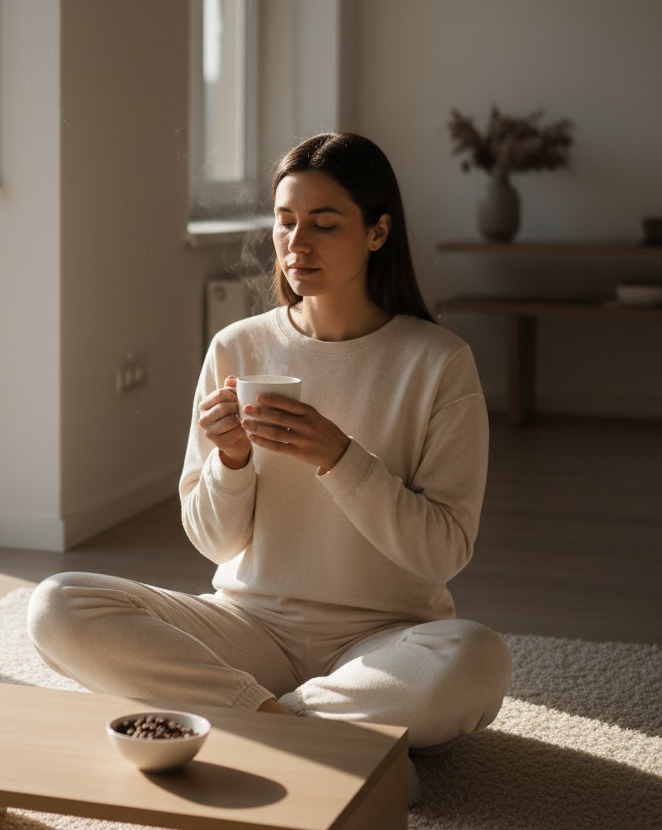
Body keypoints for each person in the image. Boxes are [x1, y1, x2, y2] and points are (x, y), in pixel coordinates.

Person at [27, 132, 511, 804]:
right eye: (285, 222)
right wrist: (230, 461)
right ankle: (307, 734)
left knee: (478, 659)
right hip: (247, 628)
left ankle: (250, 718)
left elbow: (444, 552)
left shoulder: (439, 363)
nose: (296, 243)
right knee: (56, 605)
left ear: (378, 232)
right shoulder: (238, 346)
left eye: (324, 224)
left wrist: (339, 458)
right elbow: (214, 542)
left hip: (384, 640)